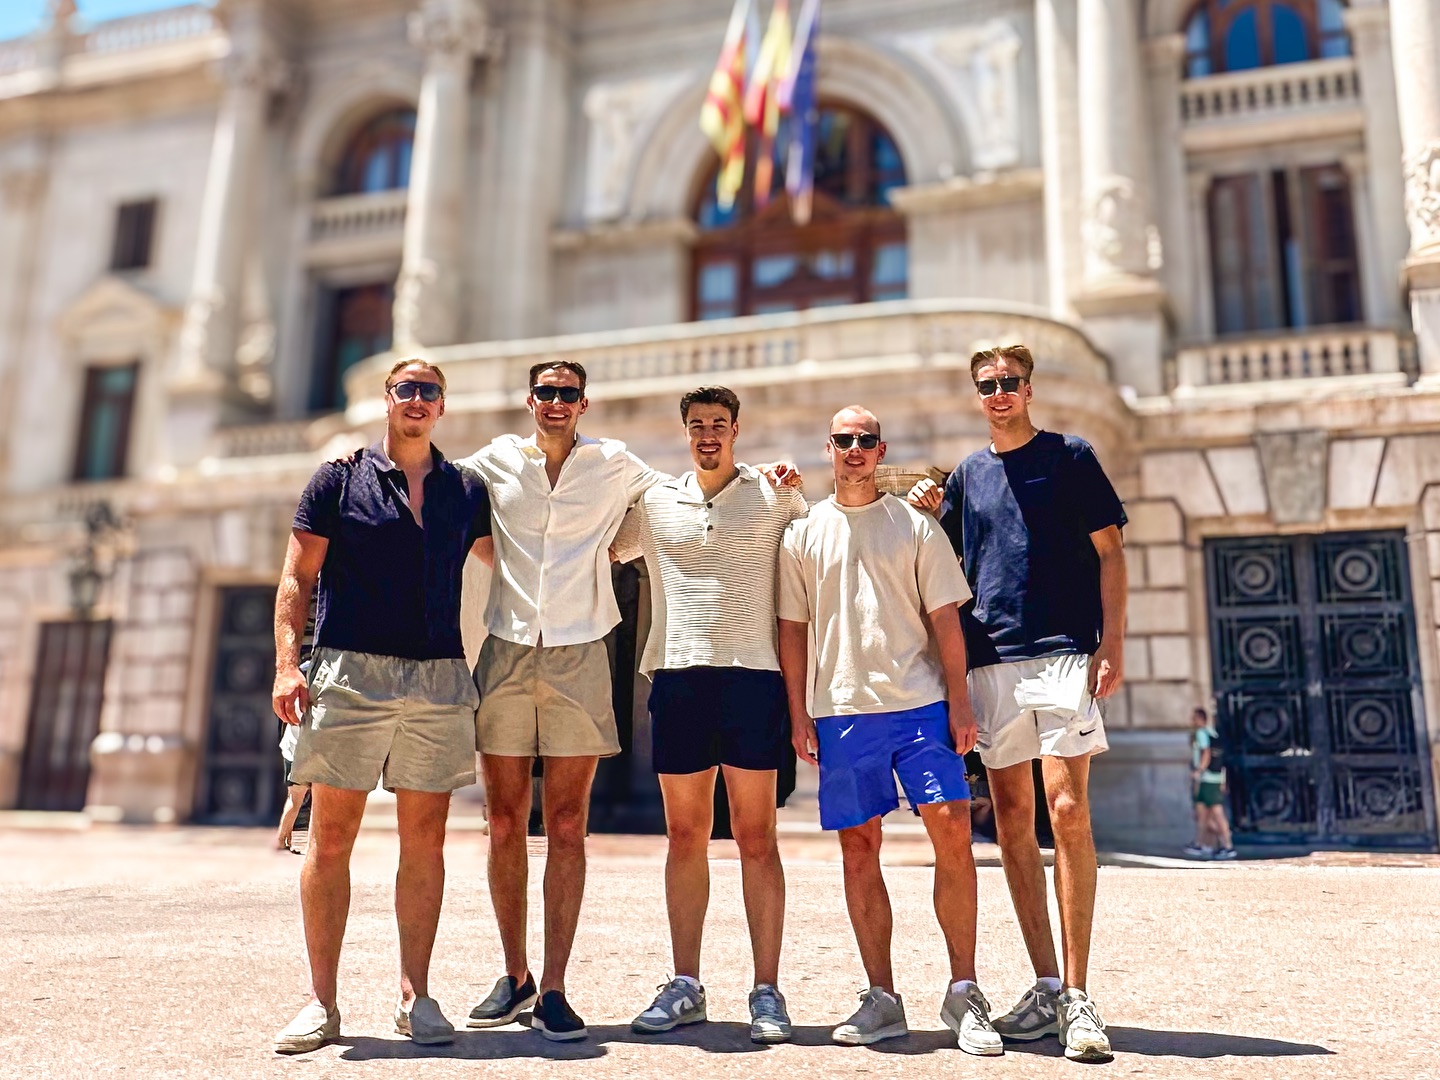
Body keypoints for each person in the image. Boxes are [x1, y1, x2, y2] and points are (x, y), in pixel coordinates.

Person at [456, 363, 800, 1042]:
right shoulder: (504, 463)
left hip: (659, 663)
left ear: (584, 403)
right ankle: (531, 974)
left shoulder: (632, 468)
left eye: (567, 394)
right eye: (545, 393)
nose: (555, 404)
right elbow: (438, 494)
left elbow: (793, 541)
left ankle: (752, 988)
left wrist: (796, 480)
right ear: (531, 400)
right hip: (547, 653)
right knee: (511, 821)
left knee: (583, 821)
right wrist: (516, 567)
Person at [909, 344, 1126, 1063]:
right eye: (987, 386)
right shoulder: (970, 476)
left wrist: (1112, 643)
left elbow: (1112, 553)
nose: (998, 394)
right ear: (978, 396)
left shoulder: (1071, 456)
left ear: (1029, 388)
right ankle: (1042, 985)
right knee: (1010, 819)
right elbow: (953, 567)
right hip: (992, 659)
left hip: (1066, 649)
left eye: (1008, 383)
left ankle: (1079, 994)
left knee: (1066, 806)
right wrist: (929, 513)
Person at [270, 360, 491, 1055]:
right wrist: (286, 664)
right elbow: (296, 577)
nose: (418, 400)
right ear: (387, 400)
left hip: (438, 678)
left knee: (424, 841)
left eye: (430, 391)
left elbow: (524, 554)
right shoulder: (337, 478)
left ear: (443, 407)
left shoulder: (465, 489)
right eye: (407, 389)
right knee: (331, 840)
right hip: (349, 671)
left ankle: (415, 996)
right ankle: (321, 1003)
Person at [777, 406, 1003, 1056]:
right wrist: (797, 712)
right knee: (858, 849)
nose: (853, 449)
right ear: (829, 448)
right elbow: (792, 631)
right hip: (842, 709)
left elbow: (948, 621)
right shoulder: (804, 534)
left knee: (953, 832)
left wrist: (960, 703)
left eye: (864, 440)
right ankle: (883, 998)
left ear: (880, 451)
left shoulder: (915, 524)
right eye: (843, 439)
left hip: (921, 705)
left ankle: (965, 992)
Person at [611, 386, 806, 1044]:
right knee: (685, 837)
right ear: (686, 431)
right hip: (678, 677)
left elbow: (817, 553)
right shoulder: (654, 501)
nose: (708, 435)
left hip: (754, 678)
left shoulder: (776, 491)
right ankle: (686, 983)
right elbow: (606, 549)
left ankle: (767, 990)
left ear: (737, 430)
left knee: (758, 839)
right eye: (697, 425)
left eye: (719, 424)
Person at [1185, 708, 1236, 860]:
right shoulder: (1212, 733)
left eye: (1194, 718)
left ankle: (1228, 845)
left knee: (1217, 813)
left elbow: (1206, 753)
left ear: (1200, 719)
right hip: (1213, 777)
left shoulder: (1201, 733)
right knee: (1202, 813)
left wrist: (1198, 770)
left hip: (1208, 778)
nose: (1192, 722)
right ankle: (1201, 844)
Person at [274, 721, 309, 854]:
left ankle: (284, 839)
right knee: (298, 800)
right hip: (301, 754)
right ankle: (282, 839)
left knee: (294, 799)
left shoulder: (294, 704)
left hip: (292, 752)